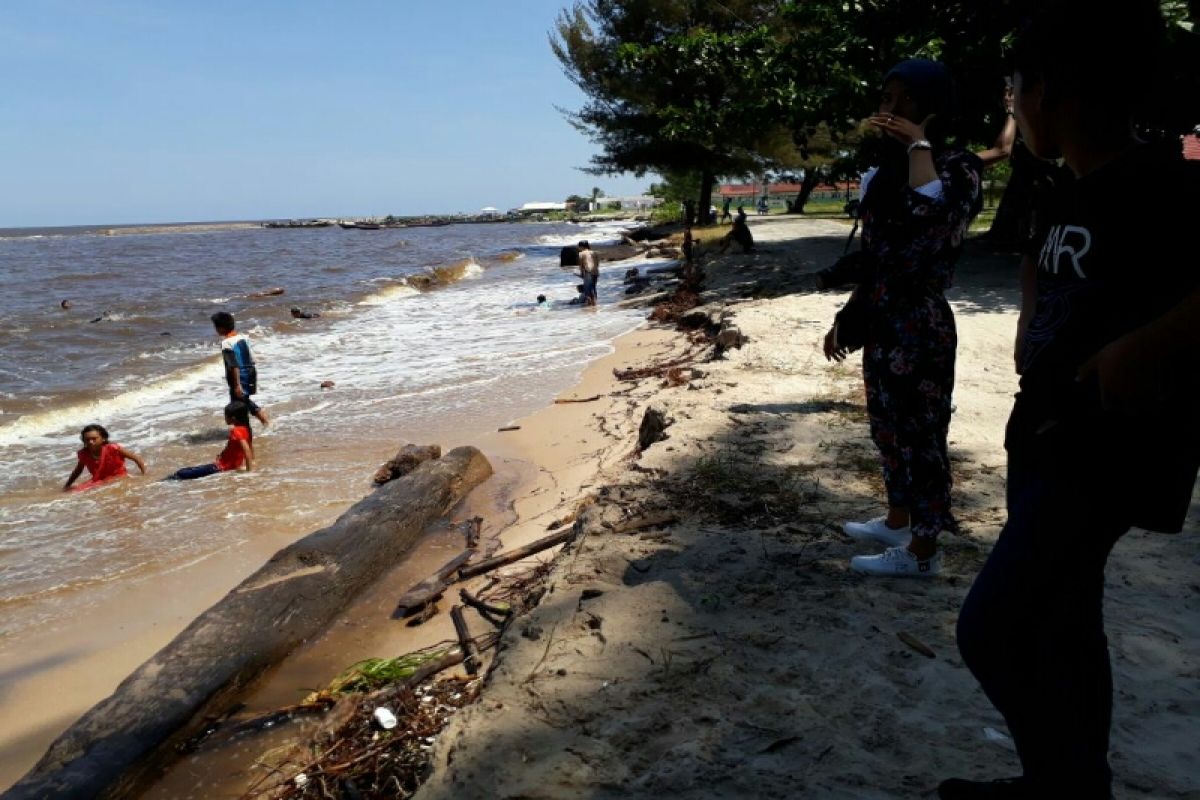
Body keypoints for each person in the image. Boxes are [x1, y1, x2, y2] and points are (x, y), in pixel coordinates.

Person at [939, 3, 1200, 797]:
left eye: (1016, 86)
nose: (1011, 104)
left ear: (1052, 91)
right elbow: (1049, 278)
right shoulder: (1064, 191)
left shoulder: (1162, 182)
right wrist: (1029, 315)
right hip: (1047, 432)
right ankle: (1069, 777)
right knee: (1067, 618)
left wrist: (1140, 348)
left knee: (992, 629)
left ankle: (1065, 781)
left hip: (1109, 446)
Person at [817, 58, 983, 577]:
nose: (887, 109)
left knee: (922, 436)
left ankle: (923, 550)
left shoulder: (958, 167)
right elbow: (880, 251)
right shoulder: (882, 173)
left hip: (921, 322)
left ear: (929, 107)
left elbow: (931, 225)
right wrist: (849, 313)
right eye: (886, 98)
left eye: (901, 99)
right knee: (887, 428)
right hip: (884, 316)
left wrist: (918, 147)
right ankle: (897, 519)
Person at [167, 401, 255, 480]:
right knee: (186, 471)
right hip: (224, 465)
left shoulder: (236, 431)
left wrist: (249, 472)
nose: (225, 418)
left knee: (182, 473)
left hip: (221, 467)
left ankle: (162, 482)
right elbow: (248, 448)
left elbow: (246, 450)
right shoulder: (246, 429)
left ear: (233, 418)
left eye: (226, 416)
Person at [211, 311, 269, 427]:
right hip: (250, 372)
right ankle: (261, 420)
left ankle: (244, 431)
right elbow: (250, 356)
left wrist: (237, 384)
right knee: (242, 401)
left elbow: (234, 365)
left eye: (216, 327)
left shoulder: (226, 343)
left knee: (237, 405)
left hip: (239, 377)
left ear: (221, 328)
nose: (215, 329)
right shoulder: (243, 337)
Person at [63, 424, 146, 491]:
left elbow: (136, 458)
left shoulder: (113, 448)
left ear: (103, 438)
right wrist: (66, 486)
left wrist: (144, 475)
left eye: (94, 439)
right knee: (73, 492)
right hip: (99, 482)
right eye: (87, 440)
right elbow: (78, 471)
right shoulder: (84, 454)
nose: (90, 442)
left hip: (119, 479)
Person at [577, 240, 599, 307]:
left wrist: (581, 274)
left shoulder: (581, 253)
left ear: (581, 247)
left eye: (579, 247)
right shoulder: (594, 252)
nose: (578, 248)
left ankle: (590, 306)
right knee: (593, 288)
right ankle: (595, 305)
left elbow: (581, 265)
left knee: (587, 290)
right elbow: (597, 264)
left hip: (588, 272)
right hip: (595, 272)